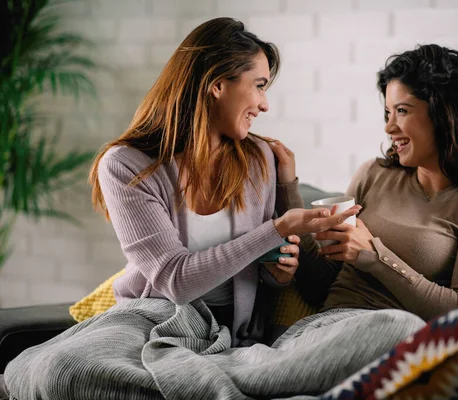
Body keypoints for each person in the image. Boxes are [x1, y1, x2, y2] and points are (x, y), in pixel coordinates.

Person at [2, 17, 361, 400]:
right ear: (217, 85)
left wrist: (278, 269)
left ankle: (207, 379)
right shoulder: (126, 165)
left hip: (233, 336)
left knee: (383, 329)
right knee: (56, 373)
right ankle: (218, 382)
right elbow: (175, 280)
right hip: (153, 317)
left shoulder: (258, 158)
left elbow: (276, 272)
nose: (264, 104)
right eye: (259, 86)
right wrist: (272, 231)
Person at [270, 43, 458, 323]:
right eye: (388, 113)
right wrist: (286, 184)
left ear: (446, 115)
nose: (389, 127)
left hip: (396, 340)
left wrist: (374, 255)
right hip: (324, 326)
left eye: (402, 111)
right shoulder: (374, 174)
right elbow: (319, 283)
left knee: (396, 326)